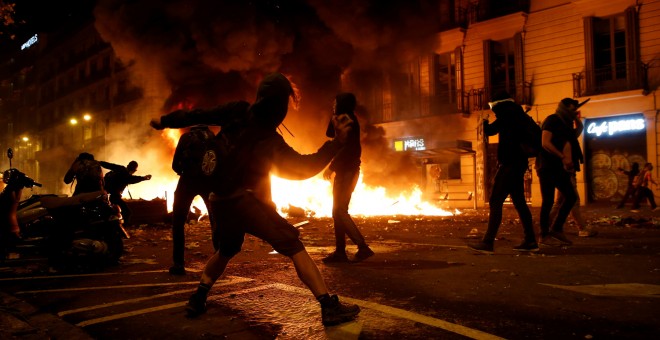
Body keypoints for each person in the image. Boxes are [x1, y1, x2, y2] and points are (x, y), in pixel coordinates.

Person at [150, 73, 361, 326]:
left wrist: (165, 121)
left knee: (227, 249)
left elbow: (198, 115)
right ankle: (328, 306)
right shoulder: (269, 140)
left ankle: (198, 296)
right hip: (246, 202)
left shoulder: (237, 110)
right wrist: (336, 143)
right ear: (281, 105)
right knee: (293, 245)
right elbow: (304, 168)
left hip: (218, 200)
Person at [467, 91, 538, 254]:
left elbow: (490, 131)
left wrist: (484, 121)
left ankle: (488, 242)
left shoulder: (507, 115)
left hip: (509, 165)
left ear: (499, 104)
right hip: (519, 164)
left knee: (495, 201)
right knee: (520, 203)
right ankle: (531, 241)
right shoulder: (521, 115)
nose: (493, 110)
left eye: (493, 106)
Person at [322, 93, 374, 263]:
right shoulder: (343, 118)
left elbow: (347, 148)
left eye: (336, 103)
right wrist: (333, 117)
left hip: (348, 172)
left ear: (342, 104)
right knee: (337, 212)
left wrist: (332, 167)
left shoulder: (348, 120)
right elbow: (330, 134)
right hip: (345, 172)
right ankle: (340, 252)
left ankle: (362, 247)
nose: (333, 105)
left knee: (340, 211)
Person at [169, 125, 216, 275]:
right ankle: (218, 260)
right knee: (216, 222)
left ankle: (178, 264)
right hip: (208, 182)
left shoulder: (186, 137)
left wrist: (184, 172)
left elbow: (175, 164)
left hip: (187, 181)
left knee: (178, 223)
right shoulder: (212, 137)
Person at [548, 108, 597, 238]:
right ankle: (582, 228)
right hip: (567, 172)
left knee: (559, 202)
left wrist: (574, 117)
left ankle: (546, 225)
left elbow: (580, 127)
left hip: (568, 172)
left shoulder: (569, 136)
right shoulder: (564, 139)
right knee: (573, 200)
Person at [536, 98, 579, 246]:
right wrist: (562, 157)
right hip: (546, 166)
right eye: (572, 109)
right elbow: (545, 142)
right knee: (547, 201)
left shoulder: (566, 124)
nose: (573, 112)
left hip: (558, 167)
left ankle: (556, 228)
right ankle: (543, 234)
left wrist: (578, 120)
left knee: (571, 197)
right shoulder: (552, 120)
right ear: (565, 108)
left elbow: (573, 138)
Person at [100, 160, 152, 226]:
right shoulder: (126, 175)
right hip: (113, 196)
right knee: (127, 212)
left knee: (111, 212)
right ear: (133, 170)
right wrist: (144, 178)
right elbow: (132, 179)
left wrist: (100, 162)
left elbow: (109, 165)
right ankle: (123, 227)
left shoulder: (120, 168)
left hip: (104, 194)